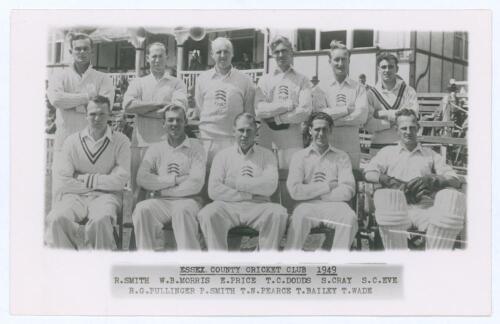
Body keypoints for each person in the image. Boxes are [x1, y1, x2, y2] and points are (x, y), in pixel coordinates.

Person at [364, 108, 465, 250]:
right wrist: (390, 181)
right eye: (403, 128)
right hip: (396, 208)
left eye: (412, 128)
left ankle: (435, 262)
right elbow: (369, 173)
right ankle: (398, 261)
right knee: (391, 214)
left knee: (447, 215)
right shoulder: (388, 152)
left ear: (418, 128)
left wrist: (435, 180)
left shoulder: (430, 154)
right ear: (396, 130)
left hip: (425, 208)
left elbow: (455, 179)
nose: (408, 132)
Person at [45, 96, 131, 250]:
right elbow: (63, 179)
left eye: (102, 114)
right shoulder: (72, 141)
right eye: (92, 114)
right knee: (56, 218)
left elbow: (120, 180)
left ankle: (101, 265)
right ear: (86, 115)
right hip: (74, 196)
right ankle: (67, 265)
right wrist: (102, 183)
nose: (97, 118)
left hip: (106, 197)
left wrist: (82, 178)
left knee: (101, 220)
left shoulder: (121, 141)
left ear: (109, 115)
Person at [198, 113, 288, 251]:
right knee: (208, 213)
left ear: (256, 132)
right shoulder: (222, 155)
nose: (245, 134)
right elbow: (214, 190)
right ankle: (218, 264)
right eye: (241, 130)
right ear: (233, 131)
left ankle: (265, 264)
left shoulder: (267, 155)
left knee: (278, 213)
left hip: (258, 207)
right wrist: (250, 194)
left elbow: (269, 186)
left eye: (249, 130)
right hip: (228, 206)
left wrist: (235, 183)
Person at [47, 32, 115, 203]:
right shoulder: (59, 76)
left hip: (93, 143)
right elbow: (56, 100)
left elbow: (103, 108)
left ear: (91, 51)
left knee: (93, 194)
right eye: (78, 49)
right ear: (71, 51)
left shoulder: (102, 78)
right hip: (64, 140)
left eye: (86, 48)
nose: (82, 52)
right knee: (60, 190)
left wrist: (70, 103)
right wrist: (87, 98)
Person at [132, 105, 206, 250]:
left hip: (189, 201)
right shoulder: (155, 148)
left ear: (185, 122)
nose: (174, 124)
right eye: (170, 120)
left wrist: (164, 191)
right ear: (163, 124)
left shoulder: (196, 147)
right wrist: (175, 180)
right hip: (162, 203)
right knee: (142, 209)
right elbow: (142, 178)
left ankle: (189, 264)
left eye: (179, 120)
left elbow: (196, 183)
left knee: (182, 211)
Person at [123, 42, 188, 201]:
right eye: (154, 56)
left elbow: (176, 113)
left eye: (160, 56)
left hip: (166, 144)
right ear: (147, 58)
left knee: (164, 189)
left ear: (167, 58)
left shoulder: (177, 83)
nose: (157, 60)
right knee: (138, 191)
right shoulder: (138, 82)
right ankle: (136, 226)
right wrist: (159, 105)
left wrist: (143, 110)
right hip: (141, 142)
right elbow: (128, 106)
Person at [285, 112, 358, 250]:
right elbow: (295, 191)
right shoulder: (299, 156)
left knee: (349, 218)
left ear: (330, 130)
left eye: (325, 129)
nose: (321, 133)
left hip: (335, 205)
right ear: (310, 130)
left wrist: (313, 192)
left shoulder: (341, 156)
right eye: (317, 129)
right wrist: (327, 187)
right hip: (307, 206)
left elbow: (348, 190)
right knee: (299, 217)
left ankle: (337, 264)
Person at [191, 37, 255, 165]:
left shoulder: (245, 80)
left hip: (233, 140)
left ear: (232, 54)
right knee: (207, 179)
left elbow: (248, 113)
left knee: (232, 179)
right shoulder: (202, 79)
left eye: (226, 51)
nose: (222, 55)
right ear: (212, 55)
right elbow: (200, 108)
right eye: (218, 52)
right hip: (207, 140)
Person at [255, 35, 312, 169]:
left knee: (290, 184)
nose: (281, 55)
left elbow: (304, 112)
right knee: (266, 185)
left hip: (292, 143)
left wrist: (277, 119)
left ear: (291, 51)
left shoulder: (302, 80)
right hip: (267, 142)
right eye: (276, 52)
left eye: (284, 50)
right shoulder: (264, 80)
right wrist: (287, 106)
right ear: (272, 55)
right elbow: (259, 110)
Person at [315, 41, 368, 168]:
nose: (340, 63)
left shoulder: (359, 88)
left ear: (349, 61)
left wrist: (332, 119)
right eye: (336, 59)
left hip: (351, 147)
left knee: (350, 184)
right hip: (326, 145)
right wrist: (346, 110)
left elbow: (361, 117)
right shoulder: (320, 88)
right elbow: (319, 116)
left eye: (344, 59)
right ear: (329, 61)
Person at [364, 52, 419, 153]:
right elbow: (368, 125)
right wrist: (393, 122)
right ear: (378, 69)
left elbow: (412, 117)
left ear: (396, 69)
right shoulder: (370, 94)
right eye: (383, 67)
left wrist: (380, 113)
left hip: (403, 146)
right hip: (378, 147)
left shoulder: (408, 91)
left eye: (390, 67)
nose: (387, 70)